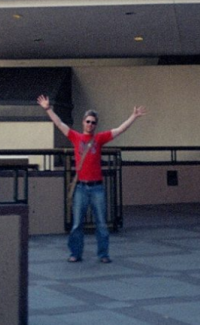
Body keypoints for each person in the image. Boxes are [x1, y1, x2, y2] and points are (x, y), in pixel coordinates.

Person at [36, 94, 147, 263]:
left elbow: (120, 129)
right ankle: (75, 253)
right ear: (83, 122)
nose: (90, 124)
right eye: (87, 121)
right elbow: (59, 123)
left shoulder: (99, 138)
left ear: (96, 125)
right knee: (77, 224)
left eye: (93, 122)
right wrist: (48, 109)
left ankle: (103, 254)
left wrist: (133, 116)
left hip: (97, 188)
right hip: (81, 187)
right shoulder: (75, 137)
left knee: (102, 224)